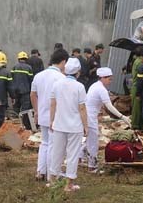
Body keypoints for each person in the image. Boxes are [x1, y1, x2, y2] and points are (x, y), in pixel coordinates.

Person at [48, 58, 88, 192]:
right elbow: (82, 108)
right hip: (74, 126)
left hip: (59, 124)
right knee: (72, 155)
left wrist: (51, 121)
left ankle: (53, 180)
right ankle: (69, 184)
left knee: (57, 153)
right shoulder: (80, 87)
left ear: (65, 70)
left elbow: (53, 104)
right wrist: (86, 126)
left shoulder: (57, 84)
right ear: (78, 72)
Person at [30, 49, 68, 181]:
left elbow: (33, 94)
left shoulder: (39, 75)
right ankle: (51, 175)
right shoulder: (61, 78)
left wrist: (36, 111)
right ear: (63, 62)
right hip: (56, 116)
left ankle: (40, 171)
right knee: (54, 145)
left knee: (44, 143)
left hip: (42, 114)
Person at [85, 67, 131, 172]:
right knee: (93, 140)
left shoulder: (95, 86)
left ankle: (81, 157)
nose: (110, 81)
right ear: (103, 78)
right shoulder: (101, 89)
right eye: (109, 79)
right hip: (90, 116)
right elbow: (109, 106)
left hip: (89, 115)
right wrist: (122, 117)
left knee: (89, 138)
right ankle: (92, 166)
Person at [11, 51, 33, 129]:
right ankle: (24, 124)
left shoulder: (14, 67)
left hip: (15, 90)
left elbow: (11, 78)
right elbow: (31, 80)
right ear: (26, 59)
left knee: (16, 106)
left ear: (18, 59)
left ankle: (14, 123)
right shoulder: (29, 68)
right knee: (25, 108)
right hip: (25, 90)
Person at [130, 47, 143, 130]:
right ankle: (136, 125)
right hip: (138, 86)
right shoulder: (140, 62)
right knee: (137, 107)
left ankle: (137, 124)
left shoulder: (136, 61)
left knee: (136, 106)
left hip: (135, 86)